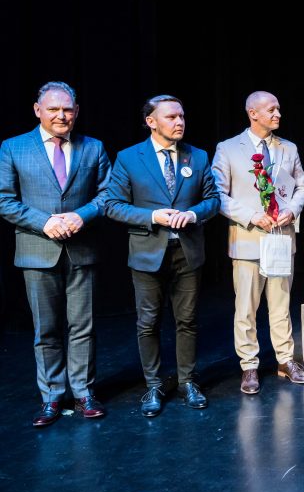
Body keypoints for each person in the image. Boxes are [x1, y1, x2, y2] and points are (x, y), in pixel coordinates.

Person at [0, 82, 110, 427]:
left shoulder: (93, 147)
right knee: (46, 330)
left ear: (76, 112)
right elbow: (5, 200)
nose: (61, 116)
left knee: (83, 327)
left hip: (82, 249)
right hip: (38, 249)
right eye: (53, 109)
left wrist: (82, 215)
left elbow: (108, 195)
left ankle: (83, 393)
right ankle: (51, 397)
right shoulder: (13, 147)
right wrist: (44, 222)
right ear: (38, 111)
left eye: (67, 109)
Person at [105, 95, 220, 417]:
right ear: (151, 122)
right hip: (147, 253)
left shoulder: (197, 156)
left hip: (187, 252)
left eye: (181, 116)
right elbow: (112, 205)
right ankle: (153, 385)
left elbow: (213, 199)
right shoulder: (129, 158)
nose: (179, 122)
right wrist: (152, 216)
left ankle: (187, 381)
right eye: (171, 117)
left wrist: (193, 214)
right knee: (148, 322)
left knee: (188, 320)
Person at [212, 91, 304, 394]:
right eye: (271, 109)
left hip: (281, 238)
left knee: (281, 305)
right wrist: (251, 216)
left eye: (278, 108)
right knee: (246, 307)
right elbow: (218, 194)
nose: (278, 114)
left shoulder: (288, 148)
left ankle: (285, 360)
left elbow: (302, 188)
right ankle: (249, 365)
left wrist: (291, 210)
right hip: (248, 238)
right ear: (252, 113)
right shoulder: (228, 148)